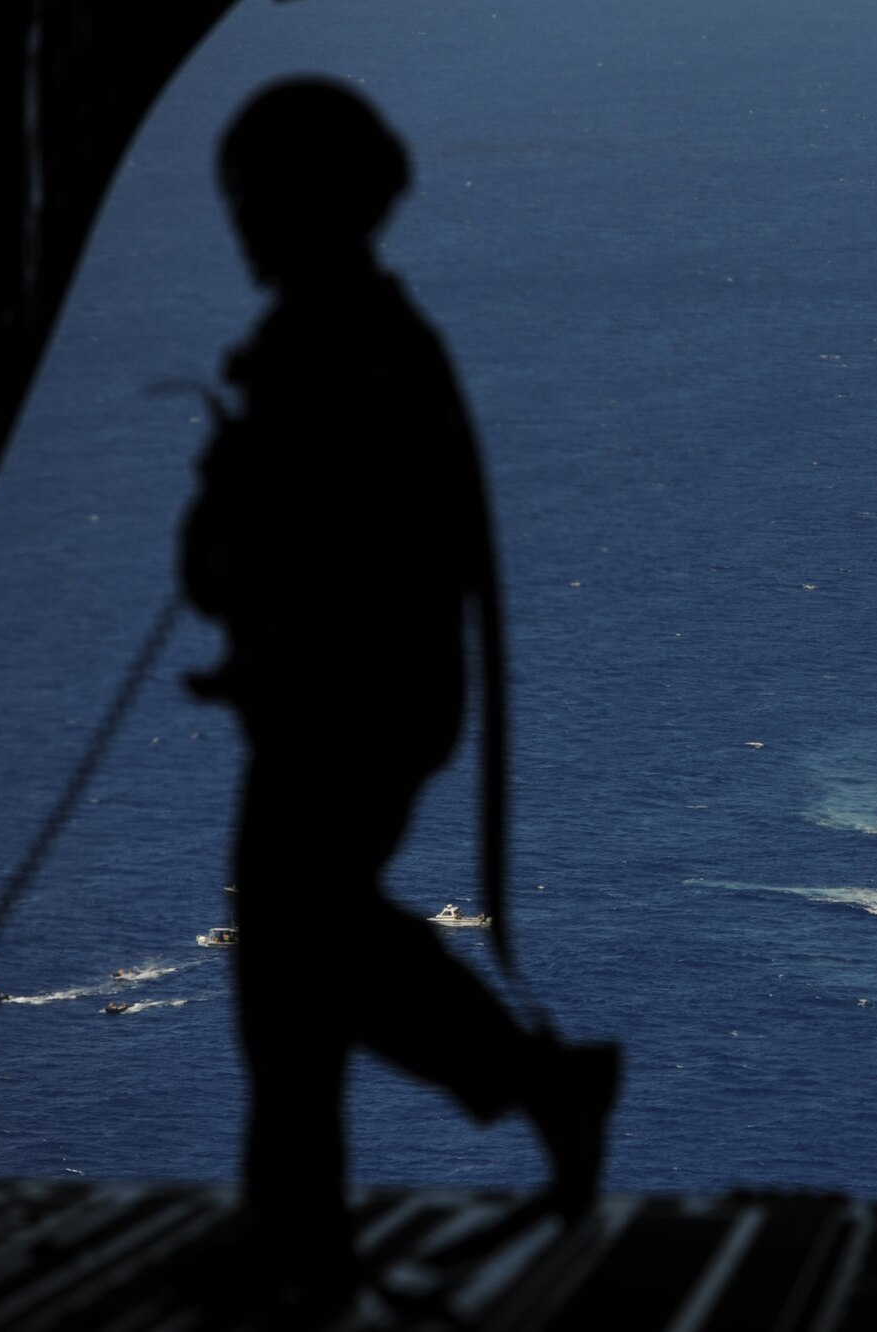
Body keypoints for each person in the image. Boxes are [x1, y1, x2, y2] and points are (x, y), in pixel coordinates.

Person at [179, 78, 617, 1300]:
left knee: (291, 956)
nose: (240, 222)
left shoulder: (348, 355)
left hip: (345, 709)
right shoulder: (340, 343)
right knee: (302, 956)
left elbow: (316, 559)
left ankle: (307, 1229)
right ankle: (507, 1104)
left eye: (254, 196)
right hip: (355, 703)